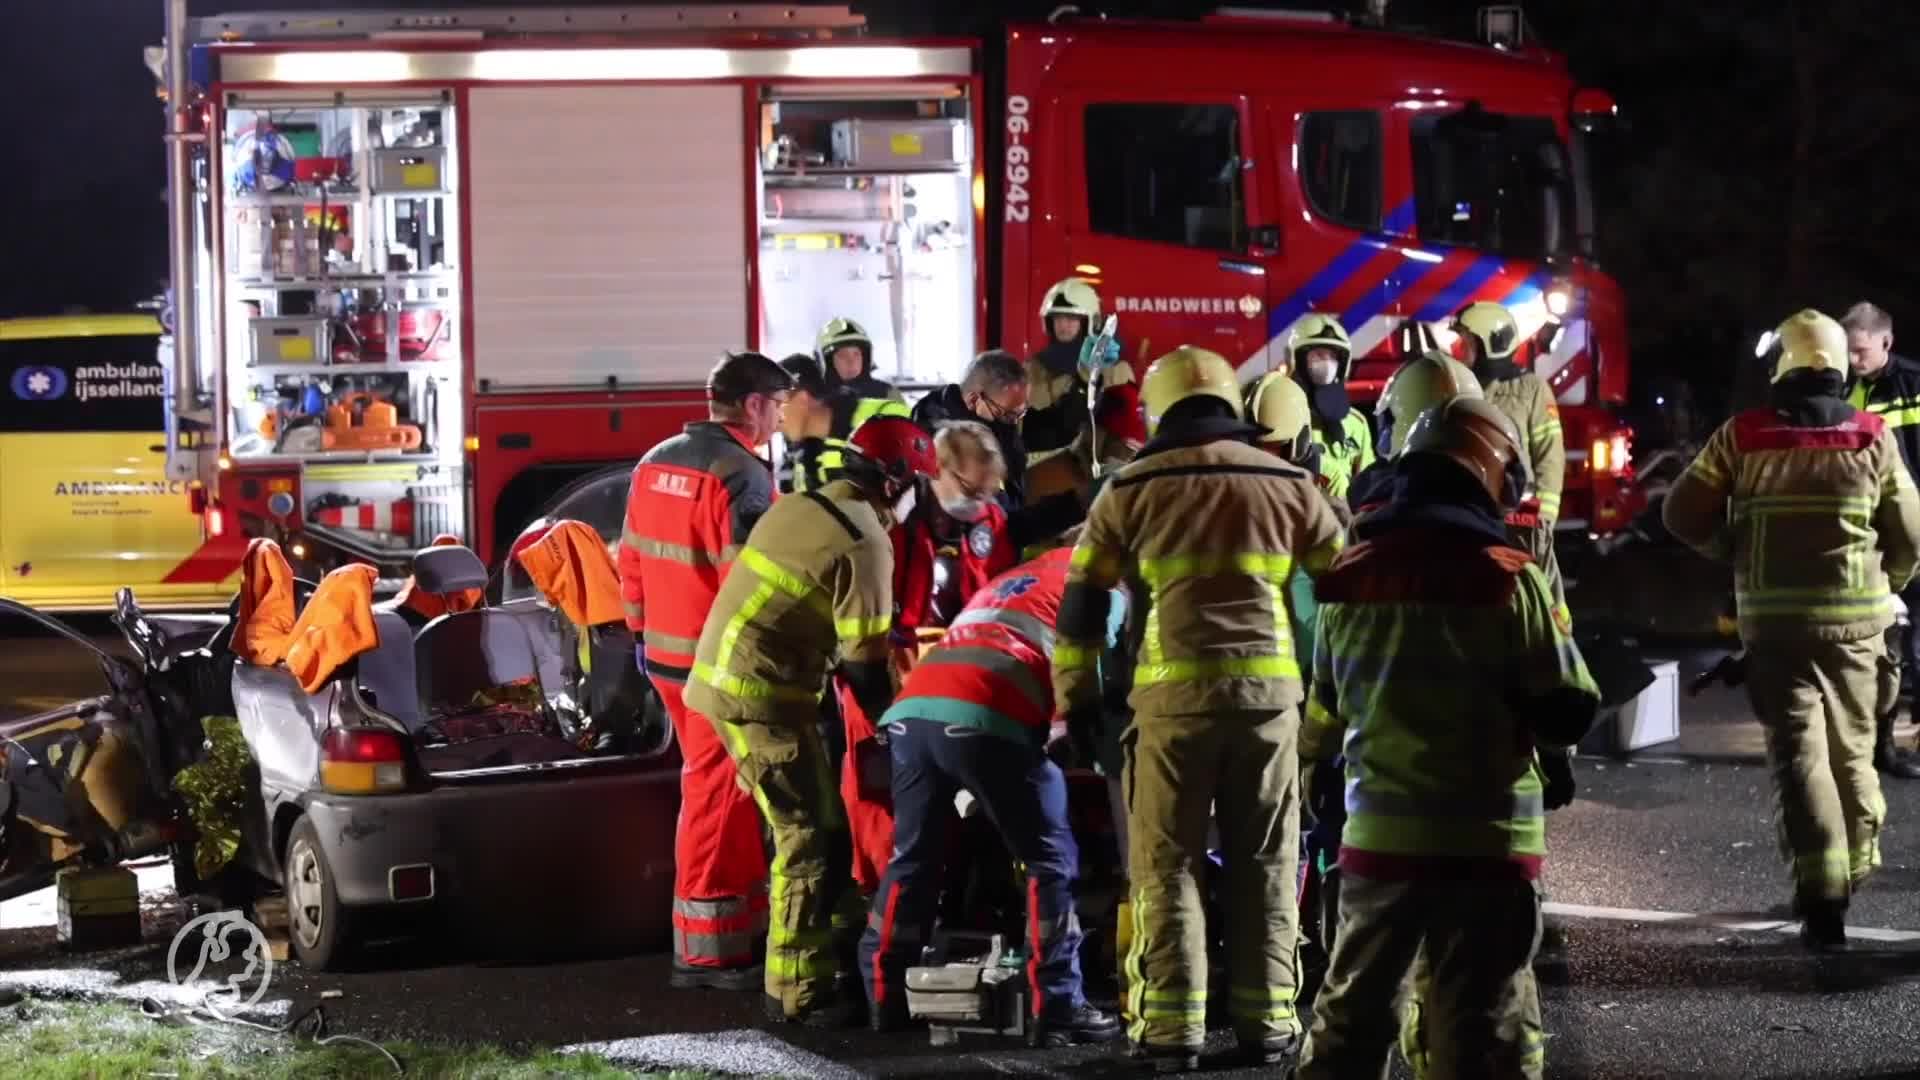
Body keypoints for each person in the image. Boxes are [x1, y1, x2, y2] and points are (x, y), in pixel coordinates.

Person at [1053, 346, 1346, 1072]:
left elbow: (1082, 603)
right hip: (1269, 705)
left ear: (1160, 412)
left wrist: (1078, 701)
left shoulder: (1129, 486)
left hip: (1170, 709)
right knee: (1267, 862)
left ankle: (1173, 1031)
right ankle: (1269, 1023)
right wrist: (1337, 702)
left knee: (1168, 867)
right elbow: (1346, 592)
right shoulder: (1289, 482)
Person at [1296, 396, 1600, 1080]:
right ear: (1488, 470)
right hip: (1487, 843)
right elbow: (1568, 707)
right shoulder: (1510, 577)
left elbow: (1323, 714)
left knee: (1351, 1017)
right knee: (1478, 1030)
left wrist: (1315, 772)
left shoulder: (1346, 579)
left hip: (1380, 840)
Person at [1665, 308, 1920, 950]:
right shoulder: (1870, 436)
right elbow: (1912, 536)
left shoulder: (1742, 436)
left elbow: (1680, 513)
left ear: (1783, 363)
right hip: (1858, 629)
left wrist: (1734, 548)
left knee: (1800, 758)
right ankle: (1856, 865)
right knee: (1854, 752)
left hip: (1774, 630)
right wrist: (1888, 582)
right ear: (1836, 363)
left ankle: (1822, 898)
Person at [685, 413, 937, 1025]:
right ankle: (797, 992)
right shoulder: (865, 539)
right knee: (808, 838)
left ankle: (840, 958)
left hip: (735, 685)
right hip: (761, 698)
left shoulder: (804, 504)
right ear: (895, 481)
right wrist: (901, 730)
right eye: (915, 486)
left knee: (824, 823)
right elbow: (866, 665)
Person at [858, 545, 1123, 1047]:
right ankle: (1058, 1006)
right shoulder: (1105, 584)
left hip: (914, 713)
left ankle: (883, 994)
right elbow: (1089, 679)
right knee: (1050, 862)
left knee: (913, 859)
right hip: (989, 713)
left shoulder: (1019, 575)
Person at [838, 419, 1083, 898]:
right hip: (890, 668)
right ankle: (880, 900)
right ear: (938, 470)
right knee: (885, 804)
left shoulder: (989, 520)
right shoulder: (890, 522)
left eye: (992, 492)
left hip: (963, 671)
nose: (984, 502)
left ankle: (965, 896)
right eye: (975, 489)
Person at [616, 351, 792, 990]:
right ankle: (705, 954)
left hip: (666, 658)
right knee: (716, 793)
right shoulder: (741, 475)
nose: (779, 417)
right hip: (716, 665)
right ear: (751, 405)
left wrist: (639, 632)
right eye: (776, 403)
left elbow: (631, 561)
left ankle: (736, 930)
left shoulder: (655, 461)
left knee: (731, 789)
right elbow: (748, 588)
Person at [1839, 301, 1920, 778]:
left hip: (1912, 528)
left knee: (1918, 645)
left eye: (1861, 351)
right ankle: (1882, 744)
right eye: (1849, 351)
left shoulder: (1913, 384)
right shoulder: (1849, 389)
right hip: (1870, 537)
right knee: (1882, 642)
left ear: (1886, 342)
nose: (1853, 360)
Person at [1452, 301, 1566, 607]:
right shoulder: (1461, 389)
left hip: (1521, 522)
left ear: (1492, 342)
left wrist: (1543, 521)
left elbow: (1550, 458)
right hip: (1473, 519)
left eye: (1469, 342)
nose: (1463, 350)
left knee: (1539, 604)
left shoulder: (1531, 389)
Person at [1023, 277, 1145, 491]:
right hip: (1046, 471)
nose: (1063, 325)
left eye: (1071, 318)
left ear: (1090, 322)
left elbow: (1126, 430)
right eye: (1058, 319)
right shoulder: (1033, 369)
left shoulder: (1116, 369)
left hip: (1098, 472)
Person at [910, 348, 1034, 509]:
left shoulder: (999, 422)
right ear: (973, 399)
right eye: (1004, 414)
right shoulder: (938, 438)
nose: (1012, 422)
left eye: (1019, 413)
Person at [778, 352, 911, 494]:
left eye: (778, 403)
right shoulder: (802, 468)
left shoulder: (884, 415)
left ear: (802, 399)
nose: (775, 418)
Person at [1285, 315, 1375, 501]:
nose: (1326, 363)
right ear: (1299, 360)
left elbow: (1369, 484)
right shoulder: (1284, 417)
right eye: (1318, 355)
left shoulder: (1356, 424)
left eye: (1332, 356)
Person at [818, 316, 905, 404]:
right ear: (828, 362)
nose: (851, 361)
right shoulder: (814, 399)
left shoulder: (888, 395)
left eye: (856, 354)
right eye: (842, 355)